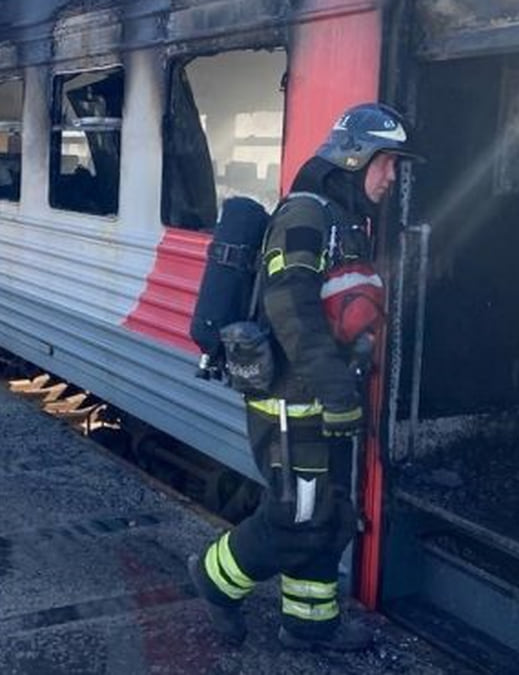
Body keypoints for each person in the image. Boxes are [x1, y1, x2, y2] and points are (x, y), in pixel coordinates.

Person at [187, 102, 423, 651]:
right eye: (386, 163)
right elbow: (290, 307)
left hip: (321, 401)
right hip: (291, 405)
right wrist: (338, 391)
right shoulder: (306, 217)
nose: (392, 177)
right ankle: (214, 578)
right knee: (296, 515)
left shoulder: (345, 222)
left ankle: (309, 624)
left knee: (329, 512)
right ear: (354, 157)